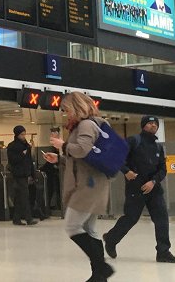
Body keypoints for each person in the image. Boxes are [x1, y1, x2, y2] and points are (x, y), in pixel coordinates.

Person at [43, 92, 114, 282]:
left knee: (73, 226)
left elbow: (82, 149)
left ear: (76, 107)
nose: (66, 114)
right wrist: (59, 159)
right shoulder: (96, 124)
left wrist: (63, 144)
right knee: (90, 230)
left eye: (67, 110)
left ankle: (102, 268)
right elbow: (85, 159)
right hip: (94, 182)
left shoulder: (85, 125)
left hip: (88, 186)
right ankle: (99, 276)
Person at [103, 116, 175, 263]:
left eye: (155, 124)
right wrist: (126, 171)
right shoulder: (134, 141)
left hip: (154, 189)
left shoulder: (158, 147)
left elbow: (163, 169)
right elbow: (115, 156)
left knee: (162, 219)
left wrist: (153, 181)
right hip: (136, 188)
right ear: (143, 126)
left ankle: (163, 252)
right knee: (131, 218)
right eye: (150, 123)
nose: (153, 125)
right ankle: (111, 239)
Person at [6, 125, 38, 226]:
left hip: (25, 174)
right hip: (18, 174)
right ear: (17, 134)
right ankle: (29, 218)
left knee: (20, 197)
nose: (23, 136)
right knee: (24, 196)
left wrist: (32, 174)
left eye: (24, 134)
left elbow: (29, 161)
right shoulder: (12, 146)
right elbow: (12, 160)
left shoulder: (26, 146)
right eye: (22, 134)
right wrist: (22, 154)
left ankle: (16, 218)